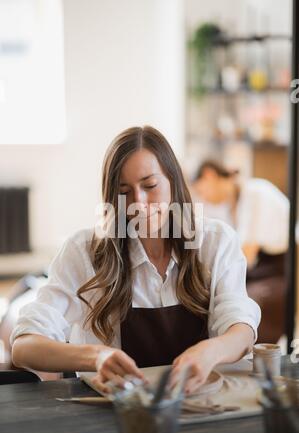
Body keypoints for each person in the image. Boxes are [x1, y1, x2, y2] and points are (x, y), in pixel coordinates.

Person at [11, 127, 260, 396]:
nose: (138, 203)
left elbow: (241, 330)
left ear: (173, 182)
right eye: (124, 191)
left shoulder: (215, 242)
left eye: (150, 186)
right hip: (114, 414)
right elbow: (24, 347)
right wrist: (95, 357)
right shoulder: (83, 252)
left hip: (199, 407)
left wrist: (212, 351)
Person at [191, 159, 289, 343]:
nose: (203, 198)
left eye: (202, 191)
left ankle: (250, 358)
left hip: (283, 268)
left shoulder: (256, 192)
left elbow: (247, 253)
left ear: (210, 175)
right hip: (259, 268)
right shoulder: (229, 204)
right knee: (210, 299)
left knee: (245, 303)